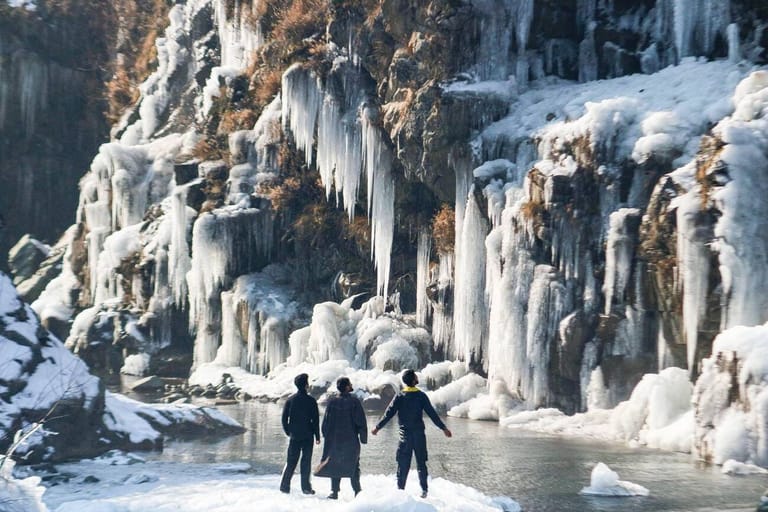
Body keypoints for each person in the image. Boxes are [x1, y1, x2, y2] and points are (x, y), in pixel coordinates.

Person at [371, 369, 452, 499]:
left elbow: (389, 413)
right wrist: (443, 428)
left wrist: (377, 427)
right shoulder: (421, 396)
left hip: (405, 436)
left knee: (403, 464)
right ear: (414, 380)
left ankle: (400, 490)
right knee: (421, 463)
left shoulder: (400, 396)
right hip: (419, 435)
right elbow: (432, 414)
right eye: (415, 376)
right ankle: (424, 490)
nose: (417, 377)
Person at [315, 377, 368, 499]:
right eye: (350, 384)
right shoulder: (354, 402)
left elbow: (326, 423)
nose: (351, 385)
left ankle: (334, 492)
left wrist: (325, 435)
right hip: (350, 440)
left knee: (335, 464)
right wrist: (363, 438)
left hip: (335, 440)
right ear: (346, 387)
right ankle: (357, 491)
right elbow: (361, 422)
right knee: (354, 464)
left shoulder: (332, 402)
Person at [279, 373, 320, 495]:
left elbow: (284, 419)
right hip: (308, 436)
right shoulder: (311, 401)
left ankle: (285, 486)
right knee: (306, 462)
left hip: (295, 436)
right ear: (306, 385)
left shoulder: (290, 400)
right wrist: (317, 436)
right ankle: (306, 488)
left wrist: (288, 432)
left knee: (291, 462)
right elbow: (315, 420)